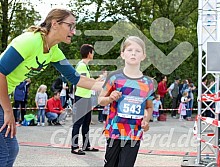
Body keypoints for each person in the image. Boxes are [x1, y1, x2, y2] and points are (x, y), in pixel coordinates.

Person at [0, 8, 102, 166]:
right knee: (6, 151)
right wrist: (8, 111)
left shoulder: (53, 51)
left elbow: (75, 78)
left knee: (9, 150)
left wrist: (108, 86)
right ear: (55, 24)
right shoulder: (30, 41)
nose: (73, 32)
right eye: (70, 26)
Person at [98, 36, 155, 167]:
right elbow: (100, 100)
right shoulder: (114, 77)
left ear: (143, 56)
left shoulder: (148, 83)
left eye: (138, 50)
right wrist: (110, 97)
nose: (133, 53)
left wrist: (146, 120)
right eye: (129, 50)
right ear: (122, 54)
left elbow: (149, 107)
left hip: (134, 133)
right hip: (114, 131)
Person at [71, 44, 99, 155]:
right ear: (89, 53)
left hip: (87, 97)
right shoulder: (81, 66)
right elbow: (83, 82)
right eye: (92, 52)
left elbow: (87, 81)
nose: (93, 54)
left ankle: (86, 145)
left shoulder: (85, 66)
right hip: (81, 96)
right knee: (78, 123)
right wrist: (96, 80)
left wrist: (94, 80)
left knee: (86, 123)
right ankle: (74, 147)